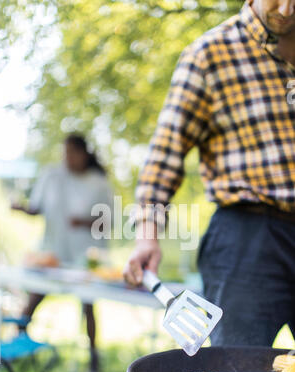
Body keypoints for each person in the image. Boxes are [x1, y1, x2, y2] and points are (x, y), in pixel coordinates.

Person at [124, 0, 295, 346]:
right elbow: (163, 154)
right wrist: (147, 235)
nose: (287, 9)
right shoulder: (210, 54)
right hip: (248, 240)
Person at [13, 134, 114, 372]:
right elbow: (36, 208)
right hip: (54, 253)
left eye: (72, 153)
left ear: (84, 154)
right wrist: (20, 207)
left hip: (85, 256)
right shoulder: (52, 176)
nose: (67, 158)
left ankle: (93, 360)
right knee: (34, 298)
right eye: (64, 152)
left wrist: (84, 221)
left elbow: (108, 221)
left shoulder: (98, 182)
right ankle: (16, 350)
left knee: (88, 306)